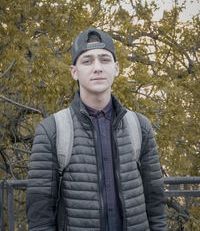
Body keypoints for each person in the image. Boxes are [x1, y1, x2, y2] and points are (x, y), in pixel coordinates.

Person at [26, 28, 167, 231]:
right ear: (74, 71)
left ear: (116, 68)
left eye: (105, 59)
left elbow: (155, 203)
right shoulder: (52, 130)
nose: (97, 68)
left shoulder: (140, 127)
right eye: (87, 61)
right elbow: (40, 215)